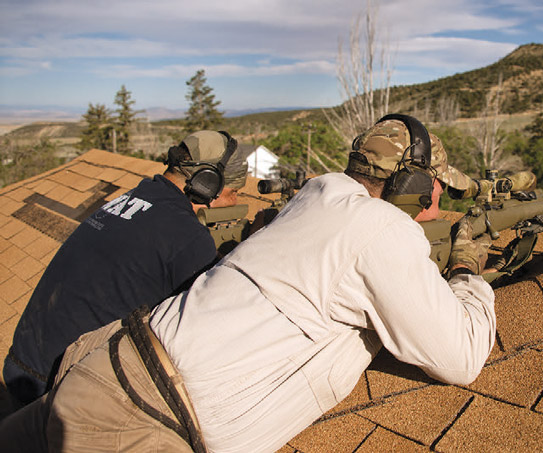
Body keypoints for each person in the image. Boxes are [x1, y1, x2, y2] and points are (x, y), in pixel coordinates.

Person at [0, 114, 496, 453]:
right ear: (411, 183)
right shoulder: (384, 230)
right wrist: (466, 270)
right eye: (434, 184)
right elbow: (462, 356)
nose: (435, 196)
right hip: (147, 419)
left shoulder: (315, 197)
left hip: (104, 361)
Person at [3, 130, 249, 407]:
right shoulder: (188, 236)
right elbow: (212, 327)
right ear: (208, 183)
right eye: (234, 192)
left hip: (22, 362)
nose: (236, 202)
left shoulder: (136, 196)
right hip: (56, 391)